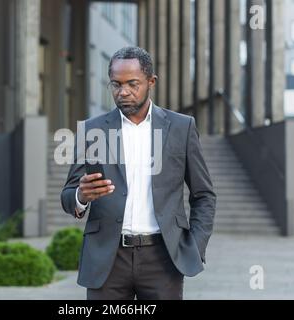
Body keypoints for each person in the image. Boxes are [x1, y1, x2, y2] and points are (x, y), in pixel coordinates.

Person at [61, 46, 216, 300]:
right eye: (116, 84)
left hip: (163, 259)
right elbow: (68, 196)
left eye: (133, 84)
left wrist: (194, 247)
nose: (123, 92)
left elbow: (204, 195)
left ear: (151, 82)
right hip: (107, 261)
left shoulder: (181, 127)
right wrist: (80, 196)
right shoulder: (92, 130)